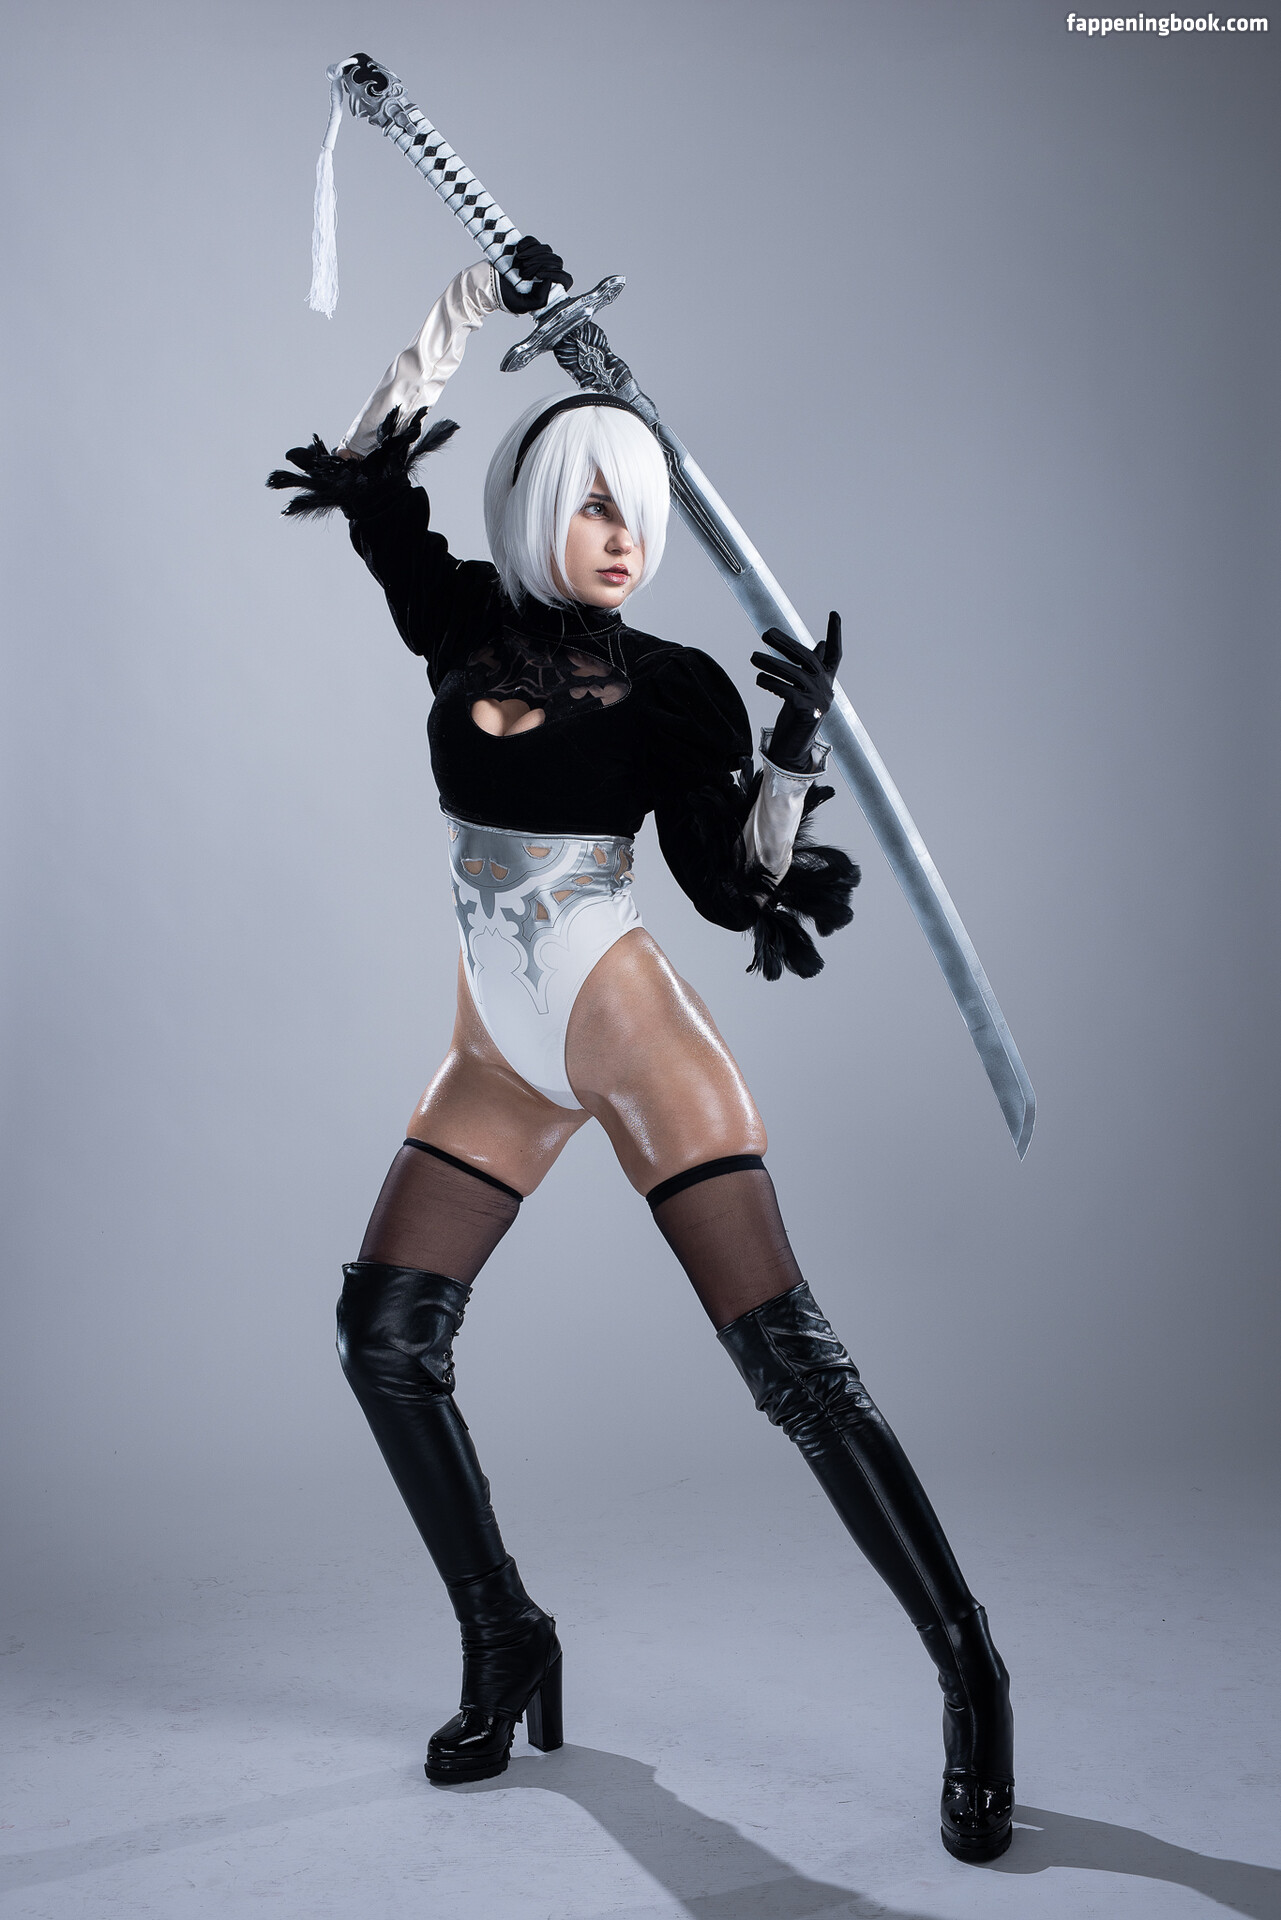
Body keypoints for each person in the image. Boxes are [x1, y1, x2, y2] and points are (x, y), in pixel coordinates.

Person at [268, 238, 1015, 1862]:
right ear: (541, 506)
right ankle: (505, 1634)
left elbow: (731, 888)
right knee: (382, 1335)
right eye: (596, 504)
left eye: (641, 512)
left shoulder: (676, 689)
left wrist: (791, 752)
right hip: (494, 1047)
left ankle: (969, 1670)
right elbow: (374, 460)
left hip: (628, 1026)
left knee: (792, 1370)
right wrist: (471, 299)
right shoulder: (454, 623)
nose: (623, 537)